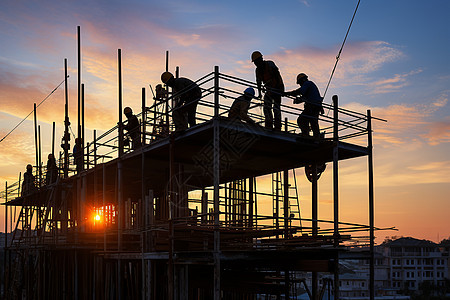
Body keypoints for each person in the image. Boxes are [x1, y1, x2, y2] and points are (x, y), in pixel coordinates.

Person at [251, 51, 285, 131]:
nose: (256, 63)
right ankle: (269, 124)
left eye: (256, 61)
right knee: (266, 107)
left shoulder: (270, 64)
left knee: (276, 108)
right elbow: (258, 82)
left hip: (276, 88)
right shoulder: (258, 70)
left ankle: (277, 126)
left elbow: (278, 76)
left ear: (261, 59)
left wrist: (281, 89)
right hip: (269, 90)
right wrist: (259, 93)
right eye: (255, 62)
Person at [283, 73, 323, 139]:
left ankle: (306, 134)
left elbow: (300, 91)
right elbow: (305, 97)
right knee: (313, 122)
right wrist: (298, 100)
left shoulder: (307, 83)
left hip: (312, 106)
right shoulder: (310, 85)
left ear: (303, 80)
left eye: (300, 83)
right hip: (316, 106)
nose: (300, 85)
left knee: (301, 120)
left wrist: (288, 93)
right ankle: (316, 136)